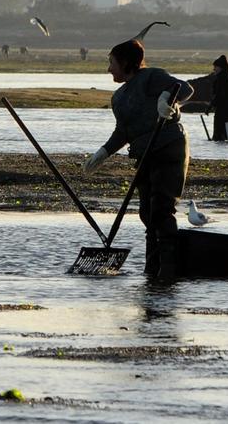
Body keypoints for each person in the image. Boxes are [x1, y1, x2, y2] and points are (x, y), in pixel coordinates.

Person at [83, 24, 194, 280]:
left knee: (161, 210)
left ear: (125, 63)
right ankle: (151, 270)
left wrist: (167, 98)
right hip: (143, 154)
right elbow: (123, 132)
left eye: (111, 63)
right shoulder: (118, 97)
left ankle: (168, 270)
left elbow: (185, 89)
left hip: (169, 147)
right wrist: (102, 153)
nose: (108, 69)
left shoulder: (152, 76)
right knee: (147, 214)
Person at [209, 55, 228, 141]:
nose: (214, 69)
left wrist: (211, 106)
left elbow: (219, 95)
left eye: (215, 67)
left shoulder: (220, 79)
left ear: (221, 67)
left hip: (223, 111)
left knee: (219, 136)